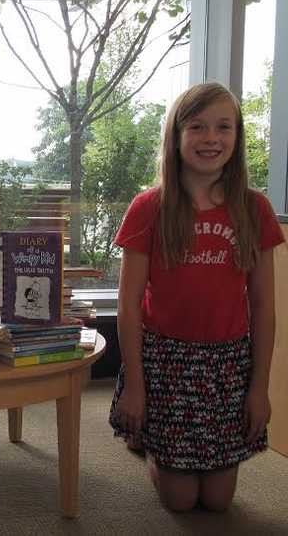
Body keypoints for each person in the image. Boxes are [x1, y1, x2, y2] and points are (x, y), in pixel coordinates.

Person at [108, 82, 284, 513]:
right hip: (165, 360)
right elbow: (129, 305)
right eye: (198, 127)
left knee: (219, 501)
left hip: (227, 363)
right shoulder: (149, 207)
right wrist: (135, 384)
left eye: (224, 127)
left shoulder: (254, 208)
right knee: (181, 501)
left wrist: (258, 388)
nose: (211, 138)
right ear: (176, 136)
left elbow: (263, 306)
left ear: (237, 138)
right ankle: (151, 449)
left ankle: (167, 451)